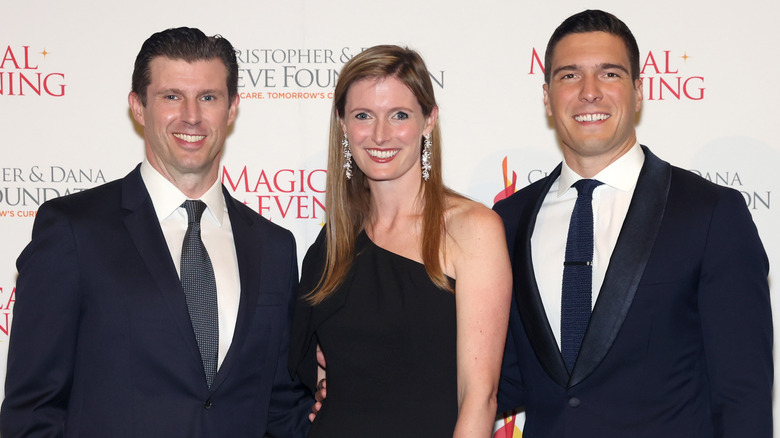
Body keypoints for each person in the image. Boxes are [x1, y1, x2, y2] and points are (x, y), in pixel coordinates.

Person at [0, 27, 312, 437]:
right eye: (171, 96)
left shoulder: (274, 247)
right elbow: (32, 410)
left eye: (208, 97)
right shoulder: (73, 230)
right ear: (138, 106)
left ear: (232, 108)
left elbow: (281, 408)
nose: (192, 116)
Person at [493, 9, 772, 437]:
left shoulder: (711, 214)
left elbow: (742, 394)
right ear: (547, 97)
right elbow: (505, 378)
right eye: (569, 76)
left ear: (638, 92)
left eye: (609, 74)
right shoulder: (508, 221)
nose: (589, 93)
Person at [289, 45, 512, 437]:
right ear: (342, 123)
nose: (380, 134)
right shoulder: (330, 248)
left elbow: (481, 396)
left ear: (429, 121)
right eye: (363, 116)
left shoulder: (471, 229)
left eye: (399, 115)